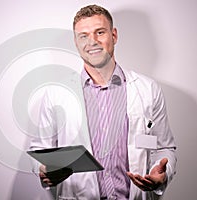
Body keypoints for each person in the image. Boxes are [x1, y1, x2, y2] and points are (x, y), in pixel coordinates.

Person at [29, 4, 176, 200]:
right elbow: (39, 149)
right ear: (76, 42)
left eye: (100, 32)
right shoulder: (56, 93)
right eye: (83, 36)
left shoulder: (148, 89)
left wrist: (163, 174)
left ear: (113, 36)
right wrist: (44, 169)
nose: (92, 42)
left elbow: (165, 147)